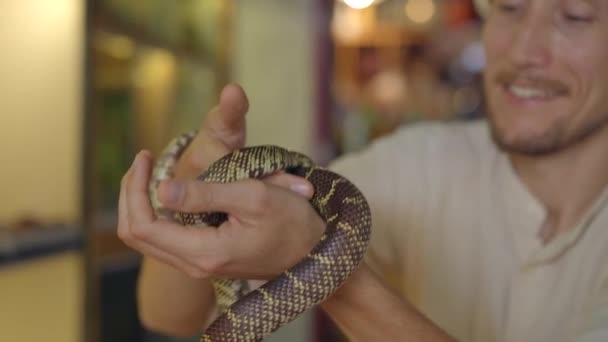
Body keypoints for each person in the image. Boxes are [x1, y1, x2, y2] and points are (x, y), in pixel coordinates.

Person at [118, 1, 608, 341]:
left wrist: (327, 269)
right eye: (509, 7)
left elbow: (308, 241)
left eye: (576, 16)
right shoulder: (420, 163)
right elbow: (167, 314)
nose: (525, 51)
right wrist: (197, 189)